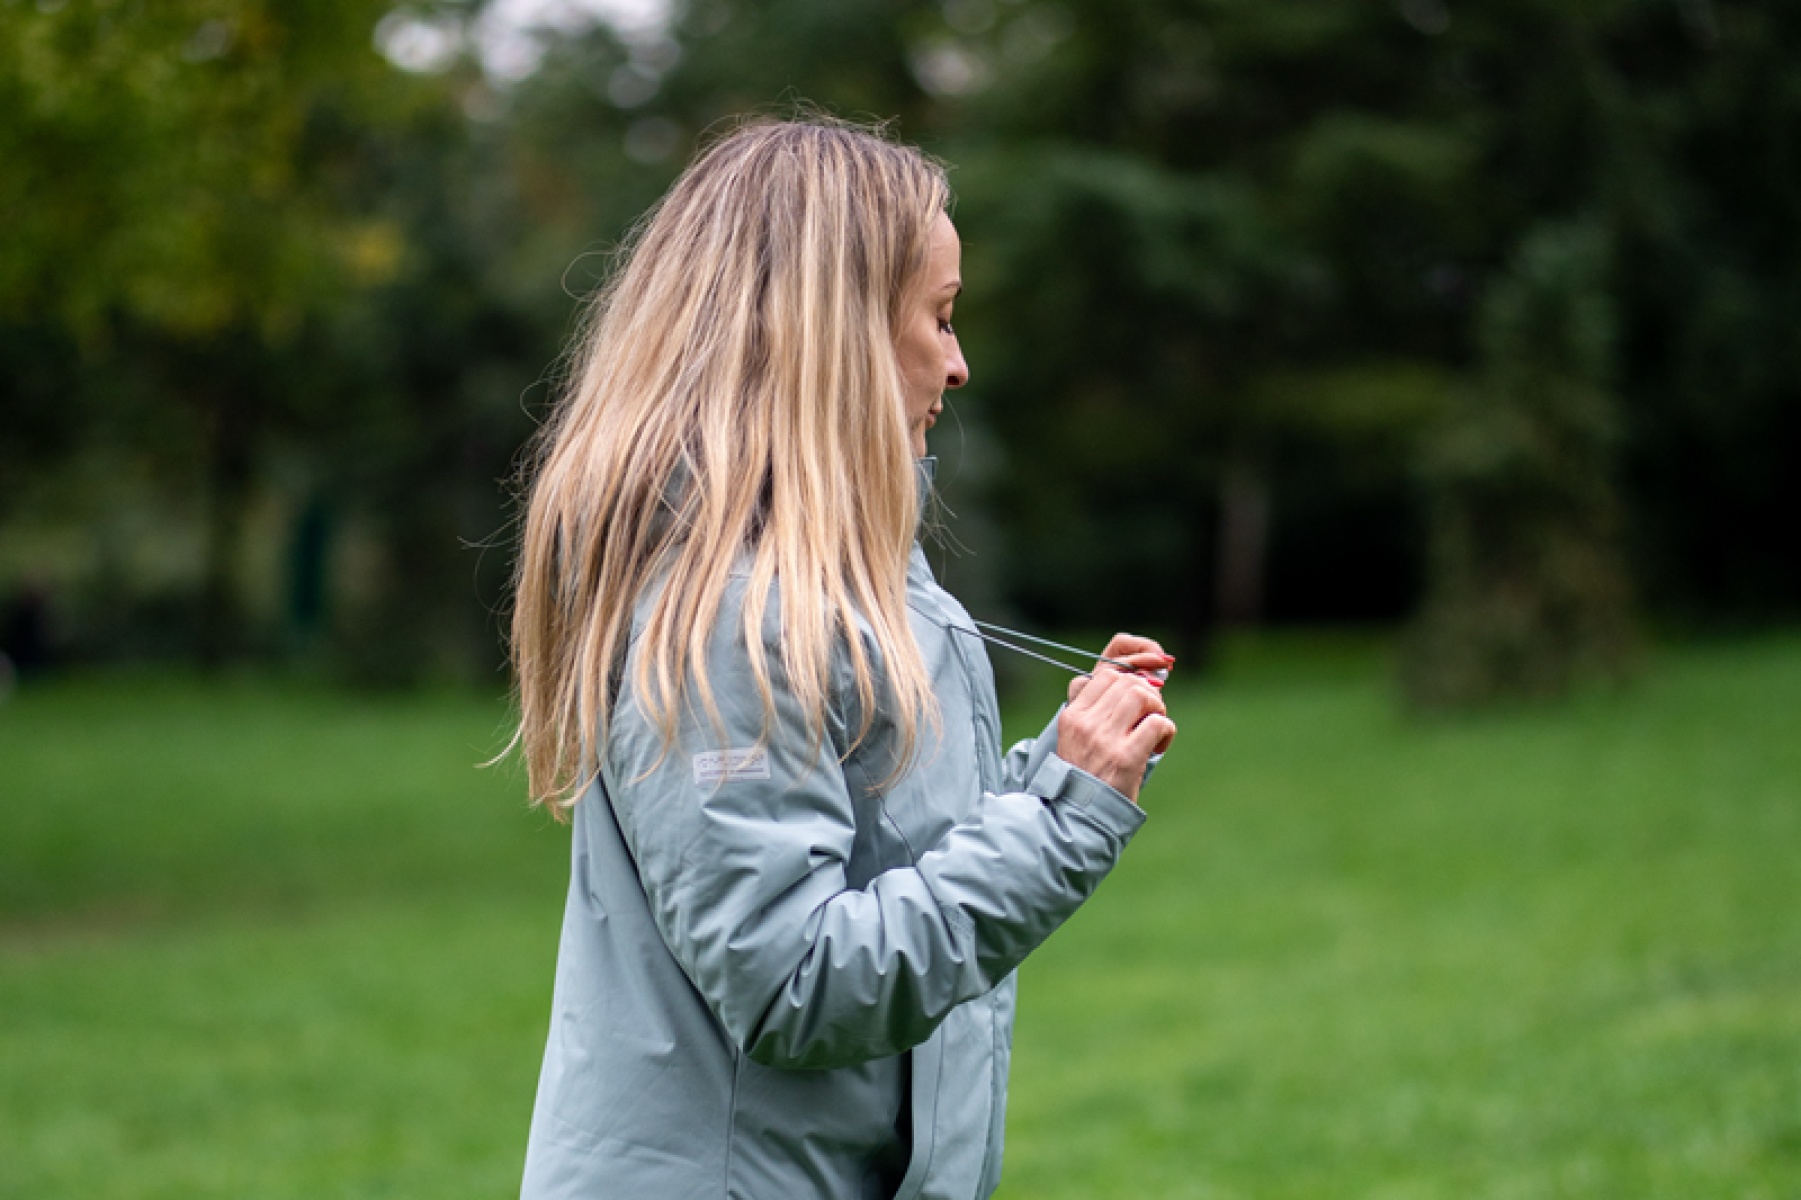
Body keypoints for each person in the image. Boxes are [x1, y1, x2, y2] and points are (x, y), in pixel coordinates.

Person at [510, 119, 1177, 1200]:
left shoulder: (858, 585)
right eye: (940, 318)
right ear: (840, 333)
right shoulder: (731, 615)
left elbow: (895, 863)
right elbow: (795, 982)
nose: (958, 364)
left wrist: (1065, 768)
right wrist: (1063, 818)